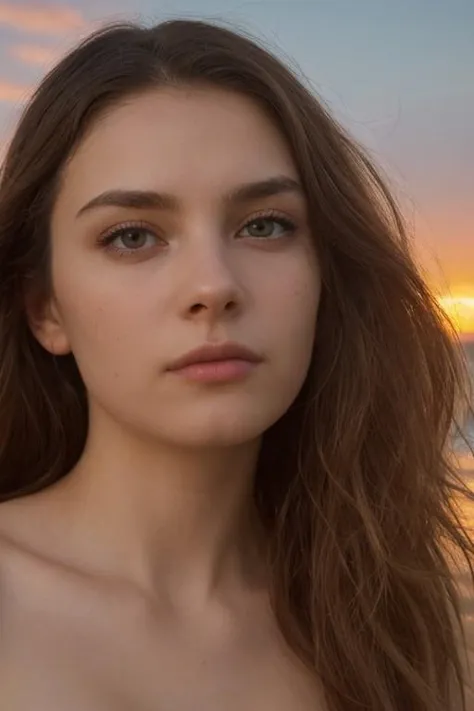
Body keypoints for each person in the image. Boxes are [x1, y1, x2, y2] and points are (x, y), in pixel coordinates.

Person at [0, 18, 472, 711]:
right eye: (132, 236)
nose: (213, 284)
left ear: (324, 274)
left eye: (265, 225)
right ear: (46, 310)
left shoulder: (386, 617)